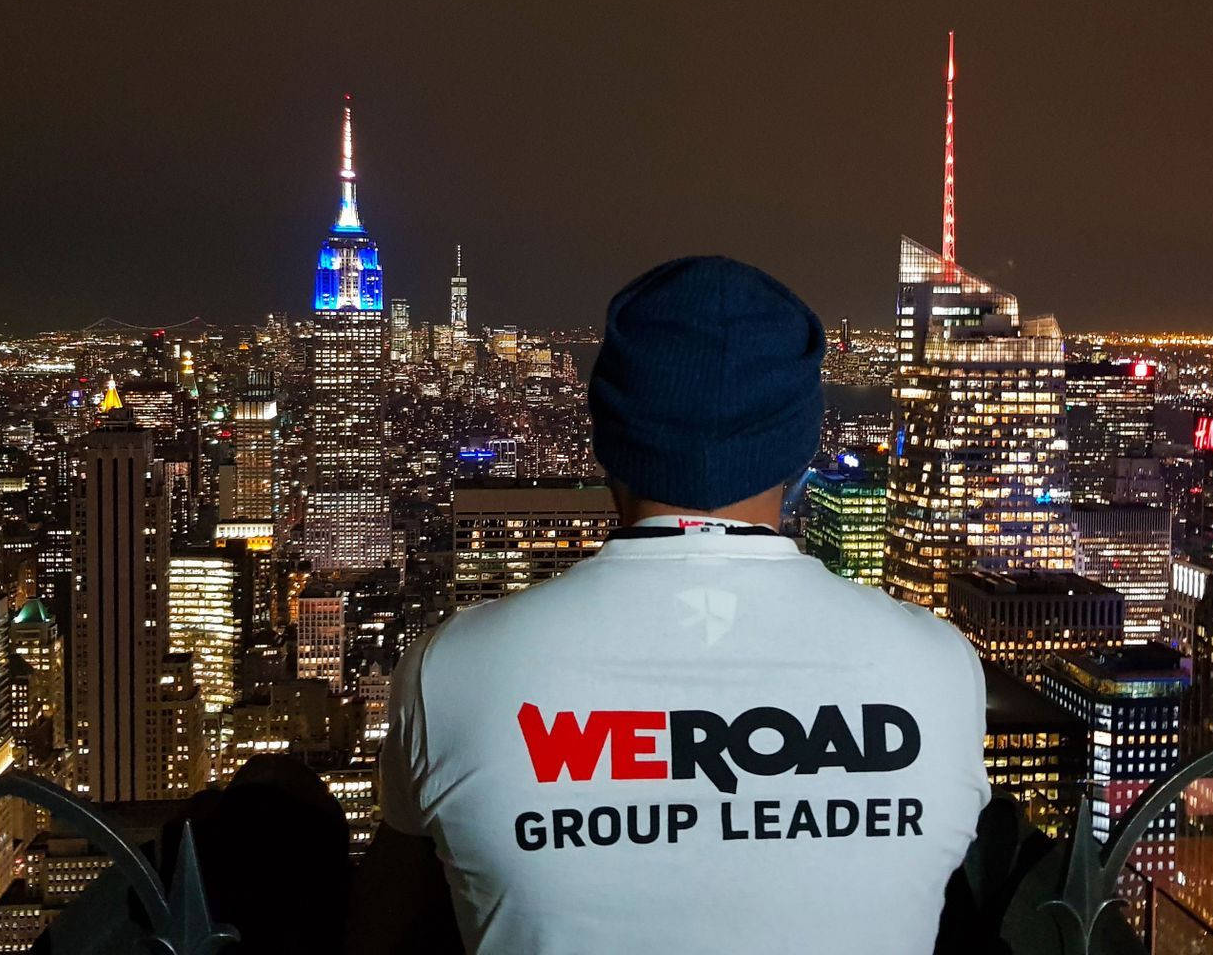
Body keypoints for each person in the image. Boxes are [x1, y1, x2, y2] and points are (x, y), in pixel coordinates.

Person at [347, 256, 990, 955]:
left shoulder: (458, 671)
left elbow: (385, 916)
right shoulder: (934, 670)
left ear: (606, 438)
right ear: (803, 446)